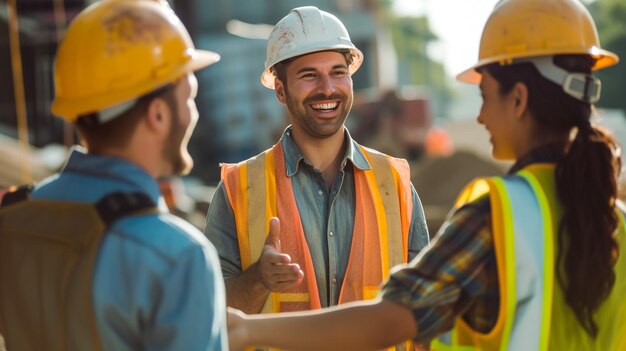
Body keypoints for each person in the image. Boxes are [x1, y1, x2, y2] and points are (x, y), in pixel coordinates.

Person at [226, 0, 626, 350]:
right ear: (281, 90)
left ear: (518, 100)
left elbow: (393, 319)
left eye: (484, 96)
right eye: (309, 74)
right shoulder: (616, 218)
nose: (481, 116)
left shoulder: (499, 216)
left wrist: (247, 330)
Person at [0, 0, 227, 350]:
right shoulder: (178, 256)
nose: (193, 113)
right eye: (190, 97)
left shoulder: (13, 220)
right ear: (158, 114)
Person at [204, 5, 429, 347]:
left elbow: (425, 312)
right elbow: (213, 315)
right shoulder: (239, 189)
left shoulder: (394, 185)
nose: (328, 89)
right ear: (280, 90)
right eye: (309, 75)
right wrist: (258, 279)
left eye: (338, 72)